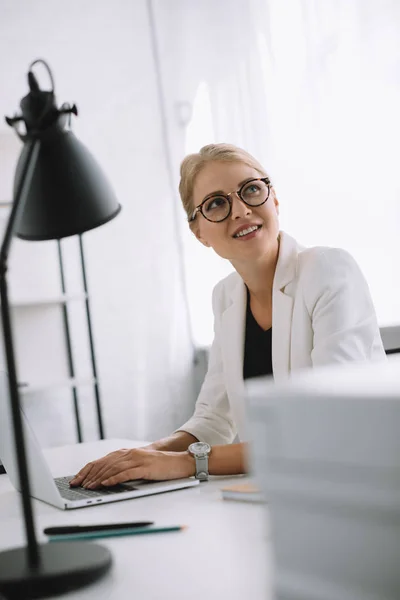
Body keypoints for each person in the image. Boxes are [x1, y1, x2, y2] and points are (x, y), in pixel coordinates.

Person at [70, 143, 386, 490]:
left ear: (274, 199)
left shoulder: (327, 269)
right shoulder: (226, 296)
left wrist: (184, 463)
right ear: (199, 232)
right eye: (217, 203)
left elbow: (331, 428)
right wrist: (142, 457)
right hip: (281, 489)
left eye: (251, 190)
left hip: (360, 485)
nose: (240, 210)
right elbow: (213, 420)